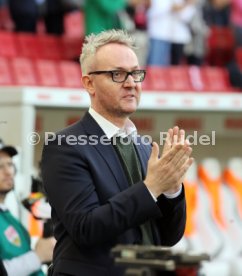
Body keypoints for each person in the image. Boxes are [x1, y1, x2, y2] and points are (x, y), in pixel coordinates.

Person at [41, 29, 194, 276]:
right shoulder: (64, 146)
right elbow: (86, 228)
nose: (131, 83)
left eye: (135, 73)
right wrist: (152, 188)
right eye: (118, 74)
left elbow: (167, 237)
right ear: (89, 83)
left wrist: (171, 189)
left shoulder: (146, 148)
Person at [0, 139, 56, 276]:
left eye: (10, 164)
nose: (8, 172)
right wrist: (38, 256)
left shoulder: (8, 216)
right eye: (0, 167)